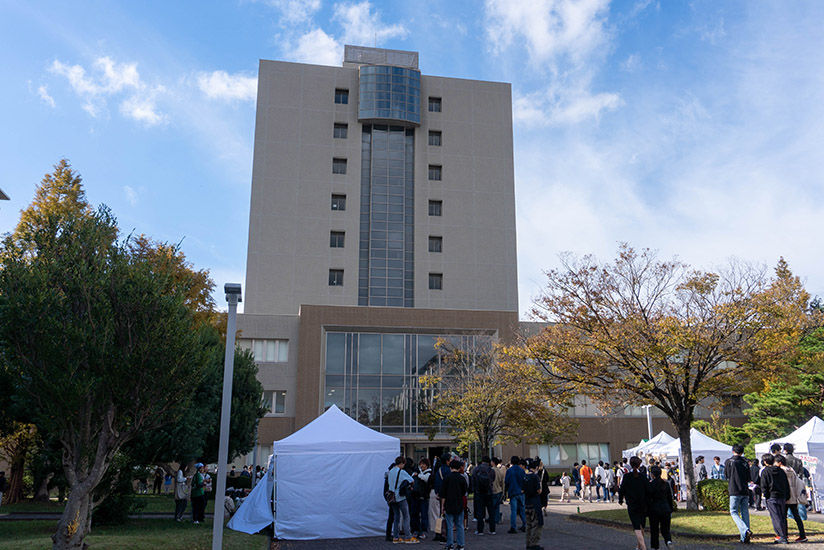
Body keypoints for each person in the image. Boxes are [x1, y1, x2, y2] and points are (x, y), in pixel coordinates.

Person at [619, 456, 649, 550]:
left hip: (632, 504)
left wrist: (620, 500)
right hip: (643, 504)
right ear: (639, 465)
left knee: (636, 527)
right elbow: (648, 490)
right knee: (642, 526)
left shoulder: (627, 477)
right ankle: (639, 546)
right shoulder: (643, 477)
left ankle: (643, 547)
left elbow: (622, 489)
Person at [387, 455, 419, 544]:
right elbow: (411, 480)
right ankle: (408, 536)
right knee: (406, 516)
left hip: (392, 497)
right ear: (401, 463)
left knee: (396, 517)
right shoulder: (402, 472)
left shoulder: (390, 471)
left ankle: (396, 537)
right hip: (400, 497)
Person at [724, 443, 752, 544]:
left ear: (733, 451)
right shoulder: (745, 462)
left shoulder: (729, 461)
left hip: (734, 489)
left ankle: (745, 530)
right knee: (745, 512)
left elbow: (726, 475)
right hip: (744, 489)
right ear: (742, 452)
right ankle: (744, 537)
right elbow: (749, 477)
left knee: (733, 511)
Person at [776, 455, 807, 543]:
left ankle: (784, 535)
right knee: (797, 517)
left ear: (779, 463)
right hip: (793, 496)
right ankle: (802, 535)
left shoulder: (781, 471)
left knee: (783, 517)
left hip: (785, 496)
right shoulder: (791, 470)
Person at [760, 453, 790, 544]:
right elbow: (786, 484)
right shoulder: (781, 471)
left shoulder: (765, 471)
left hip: (771, 496)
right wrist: (787, 495)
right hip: (782, 496)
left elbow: (764, 485)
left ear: (765, 462)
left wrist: (765, 495)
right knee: (782, 516)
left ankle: (781, 536)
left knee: (776, 517)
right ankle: (784, 535)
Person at [440, 459, 468, 550]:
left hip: (449, 503)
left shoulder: (447, 478)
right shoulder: (462, 478)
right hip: (459, 503)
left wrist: (442, 506)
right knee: (460, 525)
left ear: (450, 467)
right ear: (459, 468)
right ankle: (461, 544)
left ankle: (450, 544)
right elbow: (464, 491)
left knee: (449, 525)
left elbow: (443, 494)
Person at [647, 466, 673, 550]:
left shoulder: (650, 485)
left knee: (654, 530)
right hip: (665, 509)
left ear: (652, 474)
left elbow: (648, 499)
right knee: (666, 529)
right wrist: (671, 509)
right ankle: (668, 541)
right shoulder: (666, 484)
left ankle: (655, 546)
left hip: (654, 510)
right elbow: (670, 498)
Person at [523, 458, 544, 550]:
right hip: (535, 503)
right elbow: (539, 491)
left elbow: (522, 490)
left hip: (527, 503)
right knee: (537, 524)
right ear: (536, 467)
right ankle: (534, 543)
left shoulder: (525, 476)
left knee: (529, 525)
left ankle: (528, 543)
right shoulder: (535, 477)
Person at [472, 455, 496, 535]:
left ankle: (480, 530)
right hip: (489, 493)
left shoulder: (476, 469)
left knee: (480, 512)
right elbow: (493, 479)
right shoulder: (491, 470)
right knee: (491, 512)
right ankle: (492, 529)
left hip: (479, 493)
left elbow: (473, 480)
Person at [505, 455, 526, 533]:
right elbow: (525, 481)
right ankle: (525, 525)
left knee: (513, 511)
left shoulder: (509, 470)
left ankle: (513, 527)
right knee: (522, 510)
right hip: (521, 492)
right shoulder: (522, 470)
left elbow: (506, 481)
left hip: (513, 492)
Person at [414, 458, 431, 539]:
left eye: (423, 464)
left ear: (427, 465)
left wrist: (418, 475)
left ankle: (423, 531)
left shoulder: (428, 473)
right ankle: (417, 530)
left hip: (424, 497)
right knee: (416, 514)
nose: (422, 466)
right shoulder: (419, 472)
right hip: (417, 496)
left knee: (424, 515)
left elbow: (425, 478)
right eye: (420, 464)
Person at [491, 457, 506, 525]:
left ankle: (493, 519)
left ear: (493, 462)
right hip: (499, 490)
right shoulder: (500, 471)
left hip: (493, 490)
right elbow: (502, 482)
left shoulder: (491, 470)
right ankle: (497, 519)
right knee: (497, 506)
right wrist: (503, 492)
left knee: (492, 507)